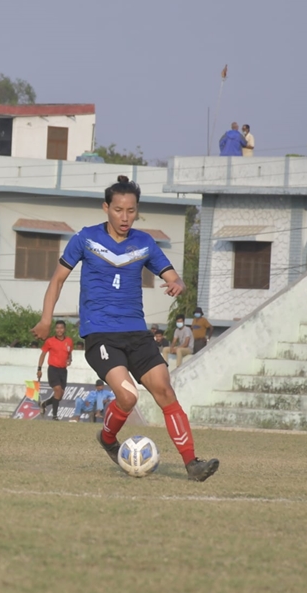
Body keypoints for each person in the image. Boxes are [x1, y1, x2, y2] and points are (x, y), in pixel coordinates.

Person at [31, 175, 219, 482]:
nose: (124, 217)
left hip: (136, 332)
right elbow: (57, 279)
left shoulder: (143, 243)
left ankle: (192, 464)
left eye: (131, 211)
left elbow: (173, 276)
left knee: (164, 390)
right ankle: (107, 438)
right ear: (106, 208)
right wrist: (45, 318)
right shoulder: (86, 239)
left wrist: (177, 284)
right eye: (118, 210)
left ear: (137, 211)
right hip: (100, 333)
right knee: (129, 397)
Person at [37, 320, 74, 420]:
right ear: (55, 329)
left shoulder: (69, 341)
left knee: (60, 395)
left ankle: (44, 404)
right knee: (57, 390)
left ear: (64, 329)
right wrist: (39, 368)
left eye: (61, 328)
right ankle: (55, 416)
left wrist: (70, 359)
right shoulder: (50, 341)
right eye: (57, 328)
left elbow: (69, 353)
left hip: (63, 371)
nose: (59, 330)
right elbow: (43, 354)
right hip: (53, 369)